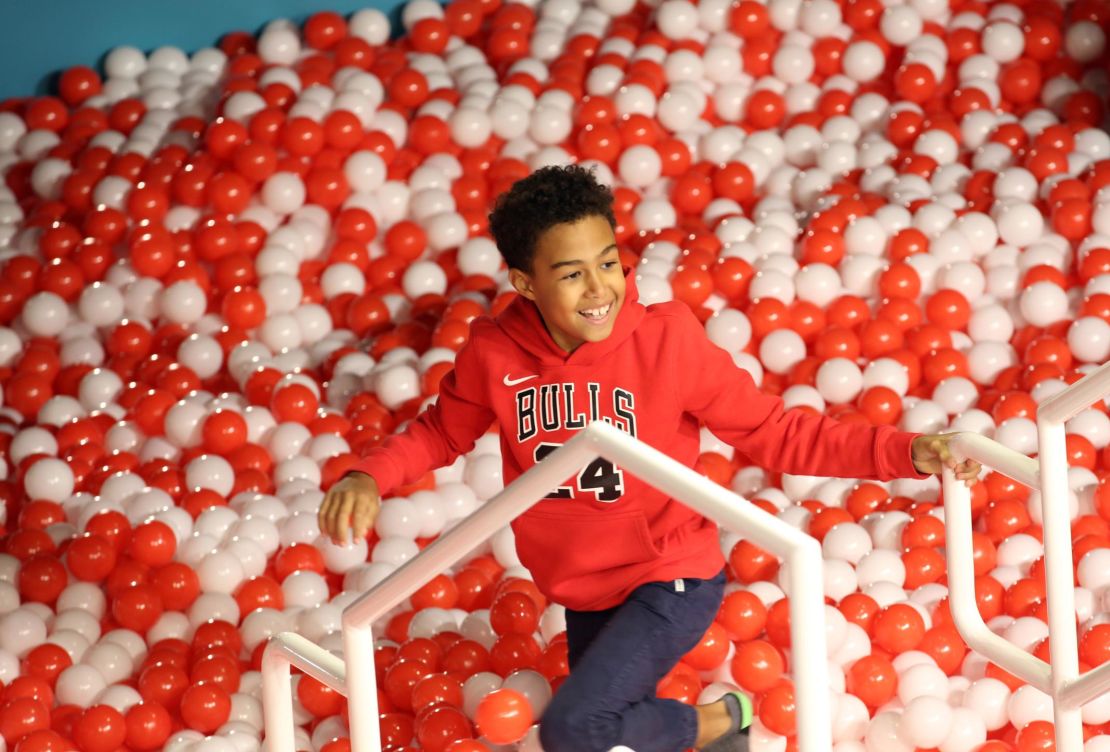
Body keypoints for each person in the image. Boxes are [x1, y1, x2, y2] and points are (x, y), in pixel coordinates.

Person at [318, 164, 982, 752]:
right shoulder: (494, 353)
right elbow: (440, 433)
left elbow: (775, 432)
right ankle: (727, 727)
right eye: (571, 274)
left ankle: (717, 727)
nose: (599, 288)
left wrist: (906, 453)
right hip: (581, 589)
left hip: (671, 573)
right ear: (523, 281)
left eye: (608, 262)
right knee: (605, 728)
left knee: (574, 729)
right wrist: (367, 475)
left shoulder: (667, 340)